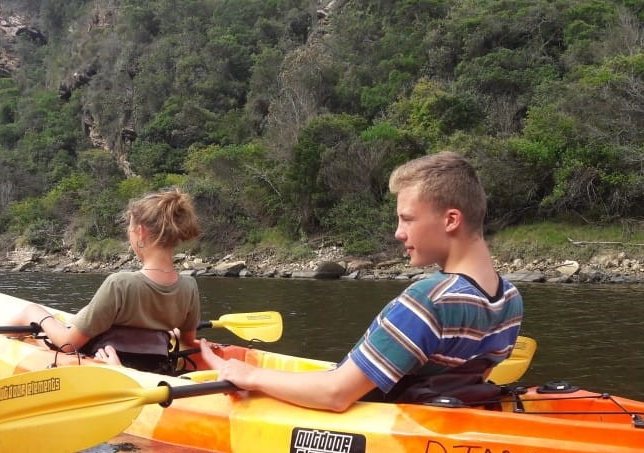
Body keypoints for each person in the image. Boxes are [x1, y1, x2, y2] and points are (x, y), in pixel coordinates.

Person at [200, 151, 523, 411]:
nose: (399, 232)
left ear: (451, 219)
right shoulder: (509, 298)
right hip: (442, 423)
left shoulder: (429, 299)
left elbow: (336, 394)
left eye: (408, 219)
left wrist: (250, 375)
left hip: (396, 432)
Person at [0, 187, 201, 370]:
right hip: (157, 366)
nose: (130, 236)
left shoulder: (121, 284)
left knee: (32, 310)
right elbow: (188, 340)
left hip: (108, 365)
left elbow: (68, 345)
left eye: (130, 230)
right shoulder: (189, 286)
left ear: (141, 232)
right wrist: (168, 330)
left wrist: (38, 315)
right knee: (62, 325)